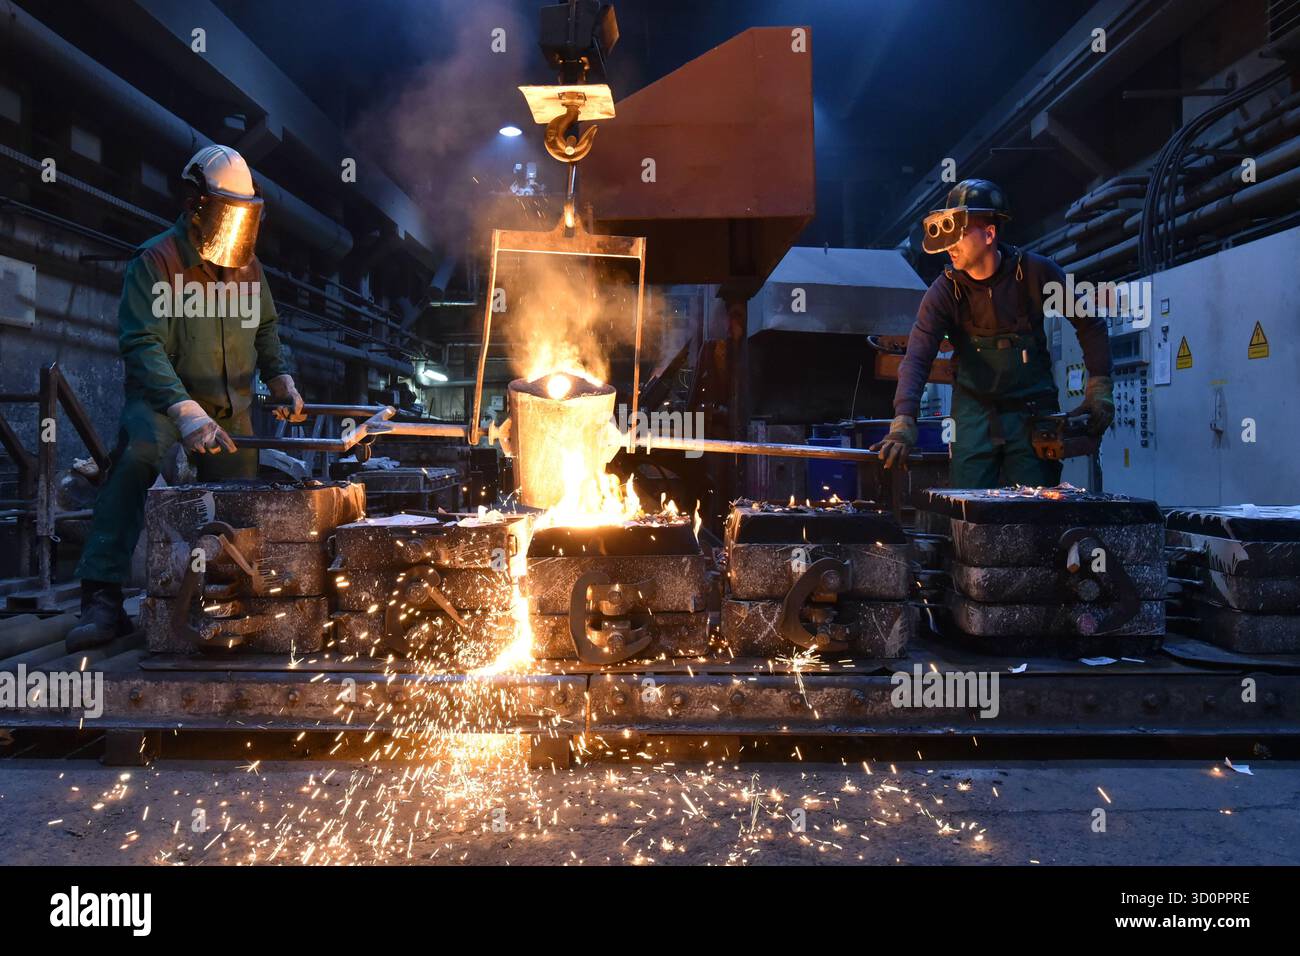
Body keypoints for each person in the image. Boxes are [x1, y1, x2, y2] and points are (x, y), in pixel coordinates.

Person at [68, 145, 305, 650]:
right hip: (162, 401)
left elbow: (265, 328)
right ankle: (102, 597)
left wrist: (280, 376)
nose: (234, 225)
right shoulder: (156, 261)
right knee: (135, 459)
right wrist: (183, 410)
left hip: (230, 407)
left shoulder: (249, 269)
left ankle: (232, 598)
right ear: (196, 203)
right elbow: (141, 342)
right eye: (226, 213)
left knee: (241, 502)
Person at [871, 178, 1113, 487]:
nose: (950, 244)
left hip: (1031, 413)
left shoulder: (1036, 274)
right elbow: (918, 357)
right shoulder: (945, 292)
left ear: (989, 234)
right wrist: (904, 420)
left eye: (960, 232)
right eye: (948, 232)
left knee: (1035, 506)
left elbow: (1089, 322)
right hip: (973, 416)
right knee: (970, 508)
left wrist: (1099, 386)